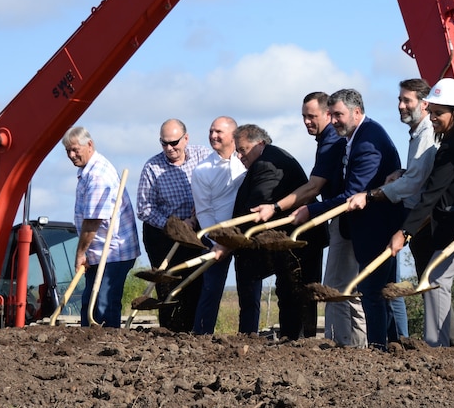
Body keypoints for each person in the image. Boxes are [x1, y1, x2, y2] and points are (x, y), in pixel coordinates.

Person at [387, 78, 454, 347]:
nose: (433, 117)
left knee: (435, 277)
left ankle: (436, 347)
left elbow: (431, 194)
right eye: (432, 111)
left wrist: (404, 231)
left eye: (439, 113)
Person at [294, 89, 403, 349]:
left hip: (374, 225)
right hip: (364, 226)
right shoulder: (356, 136)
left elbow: (352, 194)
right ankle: (382, 345)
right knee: (373, 290)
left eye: (338, 115)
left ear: (356, 112)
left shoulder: (368, 141)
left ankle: (378, 346)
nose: (333, 122)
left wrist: (312, 211)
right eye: (331, 115)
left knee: (372, 291)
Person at [346, 78, 435, 339]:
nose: (400, 105)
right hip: (414, 216)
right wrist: (403, 172)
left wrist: (372, 195)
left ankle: (439, 346)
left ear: (425, 103)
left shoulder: (427, 133)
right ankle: (399, 343)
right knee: (400, 286)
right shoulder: (417, 133)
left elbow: (415, 184)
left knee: (430, 286)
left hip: (424, 219)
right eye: (400, 100)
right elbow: (419, 174)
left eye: (407, 100)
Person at [256, 92, 349, 340]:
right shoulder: (325, 140)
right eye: (304, 117)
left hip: (343, 217)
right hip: (335, 217)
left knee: (336, 285)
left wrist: (274, 208)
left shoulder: (331, 142)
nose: (307, 121)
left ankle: (345, 342)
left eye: (312, 116)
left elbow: (312, 188)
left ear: (328, 114)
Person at [232, 124, 319, 339]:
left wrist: (230, 240)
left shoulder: (266, 164)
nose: (239, 155)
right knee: (290, 293)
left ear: (259, 144)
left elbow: (257, 208)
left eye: (242, 149)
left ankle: (297, 344)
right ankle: (294, 341)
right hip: (292, 240)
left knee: (296, 294)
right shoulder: (267, 159)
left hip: (299, 242)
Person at [135, 119, 210, 332]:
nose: (170, 148)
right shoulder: (152, 167)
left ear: (186, 138)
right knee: (168, 283)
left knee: (197, 281)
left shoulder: (202, 156)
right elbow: (144, 208)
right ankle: (170, 331)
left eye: (174, 142)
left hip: (197, 230)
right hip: (162, 235)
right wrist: (175, 226)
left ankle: (196, 330)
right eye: (164, 143)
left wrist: (195, 217)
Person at [62, 127, 140, 328]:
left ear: (89, 145)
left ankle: (109, 348)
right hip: (97, 250)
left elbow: (93, 221)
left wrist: (80, 253)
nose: (71, 155)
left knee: (104, 305)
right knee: (89, 302)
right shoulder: (87, 171)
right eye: (67, 151)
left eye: (75, 149)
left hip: (113, 251)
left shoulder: (97, 175)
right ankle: (85, 344)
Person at [189, 116, 246, 335]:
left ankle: (249, 334)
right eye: (211, 131)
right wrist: (217, 242)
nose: (213, 136)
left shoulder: (245, 162)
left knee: (249, 288)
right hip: (216, 237)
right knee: (211, 289)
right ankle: (202, 334)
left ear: (233, 135)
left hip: (244, 234)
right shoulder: (202, 170)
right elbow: (203, 209)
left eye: (219, 132)